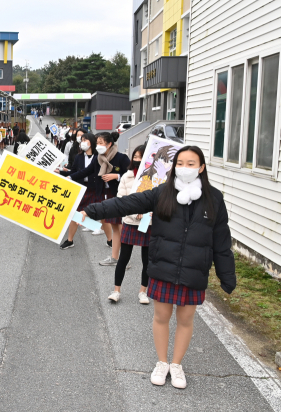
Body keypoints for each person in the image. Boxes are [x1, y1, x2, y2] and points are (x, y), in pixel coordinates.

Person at [81, 145, 236, 389]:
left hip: (194, 270)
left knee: (186, 320)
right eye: (180, 163)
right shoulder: (161, 193)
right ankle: (162, 362)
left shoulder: (214, 198)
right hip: (164, 265)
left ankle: (176, 365)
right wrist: (91, 209)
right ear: (174, 167)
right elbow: (126, 204)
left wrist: (227, 276)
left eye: (191, 163)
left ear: (202, 167)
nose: (185, 168)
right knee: (161, 316)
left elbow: (222, 241)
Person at [69, 132, 129, 254]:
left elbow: (131, 175)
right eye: (97, 143)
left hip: (117, 194)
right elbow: (86, 171)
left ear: (109, 144)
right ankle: (115, 252)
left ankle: (123, 252)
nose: (98, 146)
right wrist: (69, 177)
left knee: (119, 225)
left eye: (101, 143)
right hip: (102, 193)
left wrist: (116, 176)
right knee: (112, 223)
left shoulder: (121, 158)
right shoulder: (98, 158)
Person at [106, 145, 151, 304]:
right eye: (136, 157)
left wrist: (147, 213)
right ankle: (116, 290)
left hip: (148, 222)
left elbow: (159, 201)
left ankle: (143, 292)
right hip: (130, 222)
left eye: (141, 157)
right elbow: (121, 200)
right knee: (123, 257)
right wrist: (134, 213)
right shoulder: (126, 176)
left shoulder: (155, 178)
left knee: (147, 259)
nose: (138, 160)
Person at [57, 132, 99, 249]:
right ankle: (70, 240)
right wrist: (61, 172)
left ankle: (110, 239)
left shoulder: (98, 157)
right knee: (75, 214)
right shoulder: (79, 157)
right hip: (81, 188)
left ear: (92, 142)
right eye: (82, 140)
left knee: (103, 216)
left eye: (86, 140)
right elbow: (74, 172)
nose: (83, 143)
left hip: (95, 188)